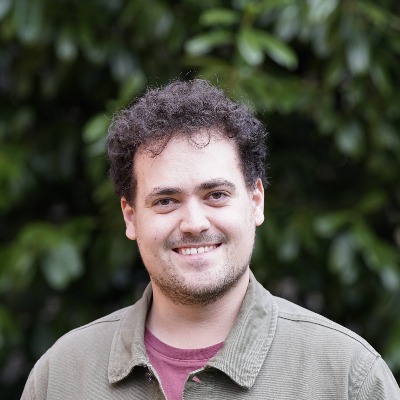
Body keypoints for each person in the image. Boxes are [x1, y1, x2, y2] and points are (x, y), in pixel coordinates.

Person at [22, 79, 399, 400]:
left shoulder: (347, 377)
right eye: (166, 201)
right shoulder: (61, 377)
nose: (193, 223)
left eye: (216, 195)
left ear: (256, 201)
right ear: (131, 216)